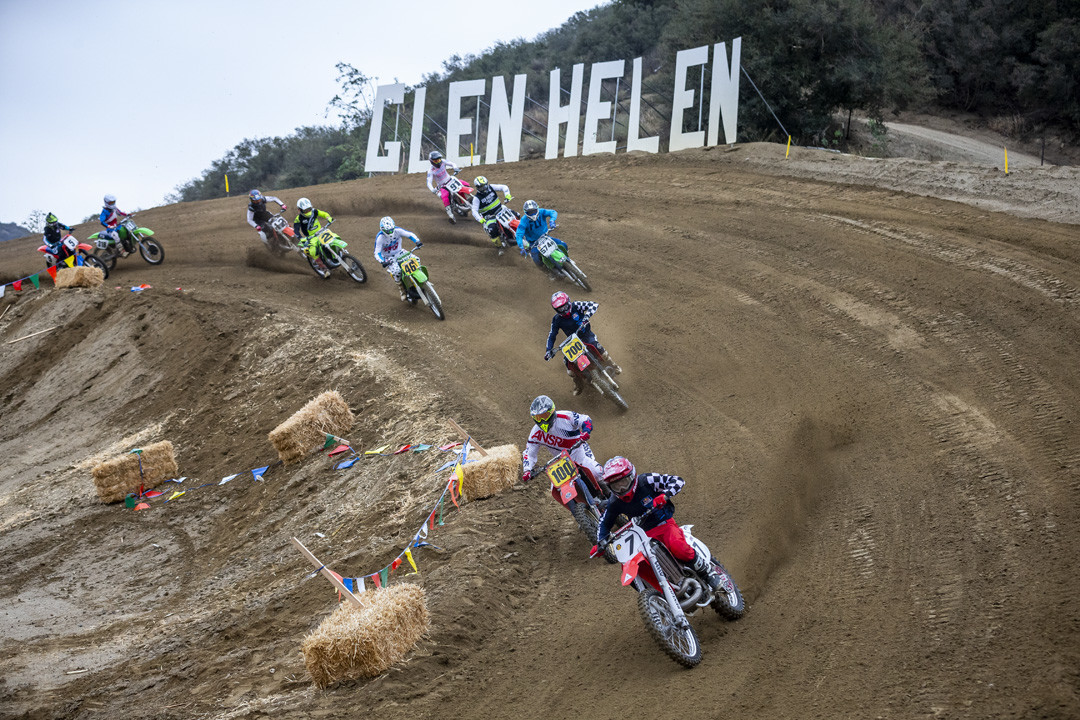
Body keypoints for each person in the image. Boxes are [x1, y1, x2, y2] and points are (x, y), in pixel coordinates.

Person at [594, 456, 724, 590]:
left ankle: (708, 573)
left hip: (664, 524)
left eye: (624, 482)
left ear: (632, 476)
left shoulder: (647, 481)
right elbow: (604, 522)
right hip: (642, 535)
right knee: (633, 564)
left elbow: (677, 481)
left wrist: (665, 495)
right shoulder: (614, 502)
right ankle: (660, 592)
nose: (621, 488)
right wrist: (600, 541)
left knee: (677, 546)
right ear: (610, 486)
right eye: (616, 485)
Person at [544, 291, 621, 395]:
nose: (564, 309)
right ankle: (579, 385)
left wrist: (586, 317)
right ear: (556, 309)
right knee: (569, 368)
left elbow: (594, 305)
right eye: (560, 308)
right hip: (572, 342)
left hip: (586, 335)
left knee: (599, 349)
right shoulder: (556, 319)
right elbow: (552, 334)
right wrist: (549, 350)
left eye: (565, 306)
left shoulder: (576, 305)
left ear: (569, 302)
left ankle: (614, 366)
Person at [520, 395, 604, 489]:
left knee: (596, 472)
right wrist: (527, 470)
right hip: (562, 461)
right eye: (538, 418)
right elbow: (529, 452)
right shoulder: (535, 433)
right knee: (556, 488)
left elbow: (584, 419)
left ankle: (612, 493)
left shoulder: (565, 417)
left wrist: (586, 431)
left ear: (552, 412)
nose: (543, 421)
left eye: (545, 416)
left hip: (579, 450)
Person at [374, 215, 423, 302]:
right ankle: (402, 290)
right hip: (389, 258)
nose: (390, 232)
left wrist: (417, 241)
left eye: (391, 229)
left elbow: (409, 234)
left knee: (417, 259)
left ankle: (421, 281)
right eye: (387, 231)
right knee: (397, 271)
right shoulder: (380, 238)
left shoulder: (397, 230)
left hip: (400, 252)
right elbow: (377, 253)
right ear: (382, 229)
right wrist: (382, 261)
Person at [515, 200, 568, 276]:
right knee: (537, 261)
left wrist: (552, 220)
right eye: (530, 212)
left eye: (534, 211)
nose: (532, 214)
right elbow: (519, 234)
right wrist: (521, 247)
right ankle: (549, 273)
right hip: (534, 243)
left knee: (563, 245)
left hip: (545, 237)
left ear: (537, 209)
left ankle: (568, 261)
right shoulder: (523, 221)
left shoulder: (542, 212)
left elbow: (552, 212)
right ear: (525, 212)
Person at [426, 151, 470, 224]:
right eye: (436, 160)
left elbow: (452, 163)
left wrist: (455, 168)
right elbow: (428, 182)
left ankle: (468, 199)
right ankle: (451, 215)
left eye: (439, 159)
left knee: (466, 184)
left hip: (451, 179)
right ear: (431, 161)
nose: (438, 162)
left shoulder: (443, 161)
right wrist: (432, 189)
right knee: (445, 197)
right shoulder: (431, 171)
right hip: (443, 186)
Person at [469, 175, 515, 245]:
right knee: (492, 230)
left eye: (485, 186)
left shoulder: (491, 187)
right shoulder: (476, 198)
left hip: (501, 210)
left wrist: (507, 195)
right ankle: (499, 246)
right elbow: (474, 211)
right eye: (482, 187)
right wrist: (480, 219)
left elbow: (504, 187)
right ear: (477, 188)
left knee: (516, 215)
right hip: (490, 216)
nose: (484, 188)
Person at [293, 197, 334, 274]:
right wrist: (300, 238)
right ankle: (323, 268)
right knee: (313, 251)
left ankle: (341, 253)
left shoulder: (314, 211)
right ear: (299, 210)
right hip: (311, 237)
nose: (308, 211)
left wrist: (328, 218)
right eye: (305, 210)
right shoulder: (298, 219)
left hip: (322, 231)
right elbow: (296, 230)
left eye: (309, 209)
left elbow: (324, 214)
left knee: (334, 237)